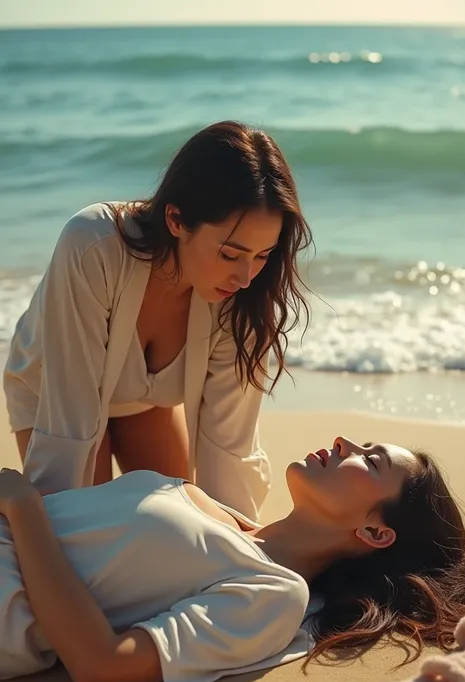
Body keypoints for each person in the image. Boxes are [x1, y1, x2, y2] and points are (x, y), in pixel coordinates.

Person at [2, 121, 312, 519]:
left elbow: (229, 454)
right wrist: (53, 535)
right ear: (176, 220)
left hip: (145, 404)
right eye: (231, 254)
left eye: (263, 254)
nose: (246, 275)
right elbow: (69, 431)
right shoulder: (93, 246)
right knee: (80, 527)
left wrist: (240, 562)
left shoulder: (247, 295)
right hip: (51, 395)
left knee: (182, 528)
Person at [0, 436, 465, 682]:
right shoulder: (206, 501)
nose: (343, 441)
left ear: (375, 533)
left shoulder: (274, 593)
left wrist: (23, 511)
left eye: (370, 461)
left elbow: (100, 665)